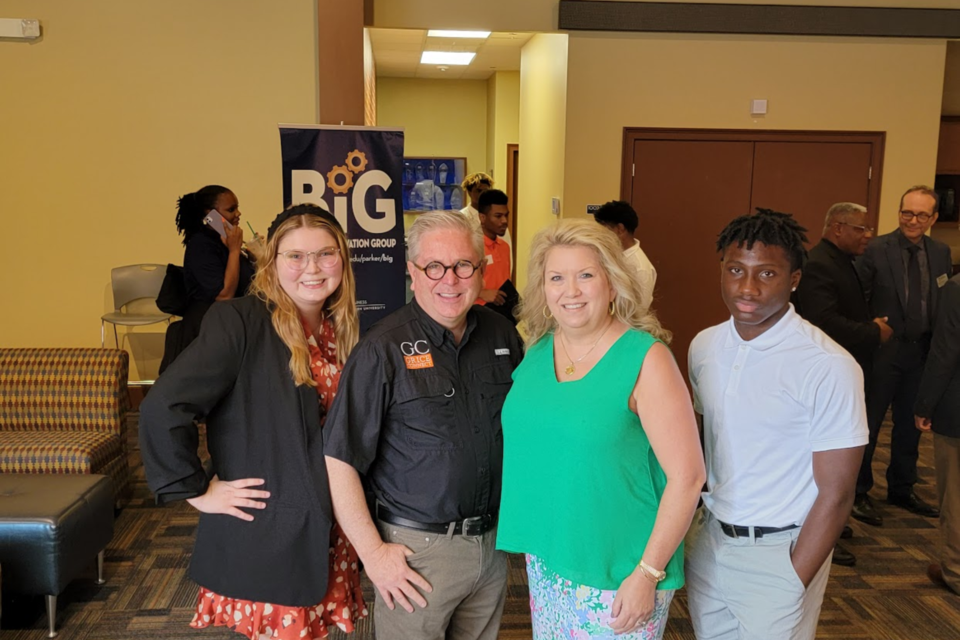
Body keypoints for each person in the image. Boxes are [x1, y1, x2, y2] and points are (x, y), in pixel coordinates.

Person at [140, 204, 366, 640]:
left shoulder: (343, 329)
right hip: (271, 529)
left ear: (343, 259)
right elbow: (163, 406)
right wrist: (196, 492)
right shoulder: (240, 322)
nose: (312, 268)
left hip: (331, 527)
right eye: (295, 256)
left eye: (325, 254)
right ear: (272, 263)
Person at [496, 219, 705, 639]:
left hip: (621, 568)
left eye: (585, 275)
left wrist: (647, 574)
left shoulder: (646, 359)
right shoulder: (537, 351)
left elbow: (688, 477)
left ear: (612, 283)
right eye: (557, 277)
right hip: (550, 557)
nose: (570, 291)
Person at [323, 210, 523, 640]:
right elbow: (339, 459)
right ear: (413, 272)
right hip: (416, 552)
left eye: (463, 265)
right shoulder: (381, 348)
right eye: (434, 266)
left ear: (481, 269)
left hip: (491, 545)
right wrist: (373, 554)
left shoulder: (502, 335)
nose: (449, 279)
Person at [686, 209, 868, 640]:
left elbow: (838, 494)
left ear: (795, 280)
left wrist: (793, 576)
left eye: (767, 273)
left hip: (781, 551)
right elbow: (700, 446)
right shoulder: (704, 345)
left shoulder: (828, 365)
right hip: (710, 541)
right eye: (736, 270)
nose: (747, 288)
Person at [793, 202, 892, 565]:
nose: (868, 235)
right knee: (824, 461)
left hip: (845, 372)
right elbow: (825, 323)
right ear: (837, 228)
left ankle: (832, 524)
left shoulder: (841, 262)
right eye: (861, 229)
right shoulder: (819, 264)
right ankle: (819, 532)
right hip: (825, 376)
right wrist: (873, 331)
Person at [855, 185, 952, 522]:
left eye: (921, 215)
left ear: (933, 218)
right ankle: (858, 492)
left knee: (911, 426)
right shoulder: (876, 248)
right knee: (869, 423)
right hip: (883, 351)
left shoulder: (941, 252)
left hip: (921, 352)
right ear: (899, 212)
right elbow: (859, 297)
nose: (912, 220)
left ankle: (902, 487)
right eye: (906, 212)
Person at [160, 185, 257, 373]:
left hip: (232, 324)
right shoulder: (201, 245)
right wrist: (235, 250)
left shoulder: (225, 242)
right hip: (206, 329)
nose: (238, 214)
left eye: (237, 207)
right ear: (210, 214)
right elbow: (224, 295)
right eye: (231, 209)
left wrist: (255, 258)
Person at [914, 268, 960, 595]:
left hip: (956, 409)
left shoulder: (956, 288)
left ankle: (956, 573)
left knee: (955, 496)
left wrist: (924, 404)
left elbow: (945, 351)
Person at [593, 200, 657, 312]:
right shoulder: (610, 254)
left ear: (620, 229)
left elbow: (638, 312)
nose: (600, 235)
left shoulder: (639, 268)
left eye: (603, 230)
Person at [474, 189, 515, 319]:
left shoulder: (504, 247)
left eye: (506, 215)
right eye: (498, 216)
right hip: (477, 314)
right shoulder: (473, 248)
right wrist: (481, 293)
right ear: (482, 218)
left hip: (502, 315)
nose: (504, 221)